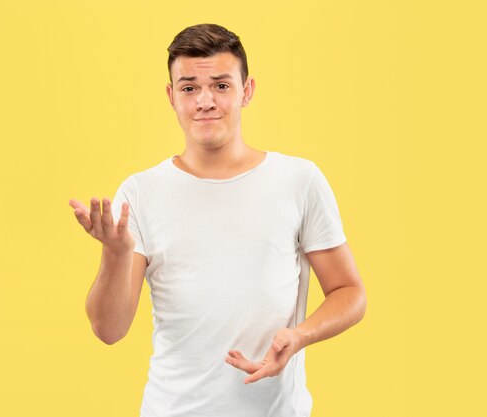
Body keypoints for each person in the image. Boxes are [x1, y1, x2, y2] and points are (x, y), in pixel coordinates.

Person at [69, 23, 366, 417]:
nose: (205, 100)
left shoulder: (299, 181)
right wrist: (117, 253)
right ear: (172, 97)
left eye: (221, 85)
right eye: (189, 87)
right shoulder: (140, 193)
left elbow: (349, 292)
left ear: (247, 91)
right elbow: (109, 330)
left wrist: (299, 336)